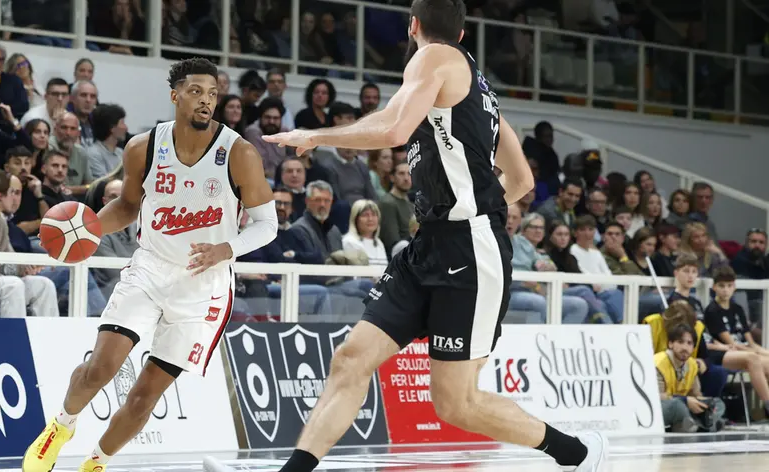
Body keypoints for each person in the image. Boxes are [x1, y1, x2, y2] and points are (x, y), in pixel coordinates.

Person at [257, 1, 607, 471]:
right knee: (351, 358)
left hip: (470, 249)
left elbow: (394, 127)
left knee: (455, 405)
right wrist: (473, 199)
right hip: (430, 247)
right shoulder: (479, 95)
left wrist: (318, 136)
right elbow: (521, 181)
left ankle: (578, 454)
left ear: (414, 25)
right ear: (463, 33)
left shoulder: (432, 57)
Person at [21, 57, 278, 472]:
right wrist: (81, 232)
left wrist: (226, 249)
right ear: (175, 95)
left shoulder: (240, 153)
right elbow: (126, 207)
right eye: (196, 92)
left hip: (204, 286)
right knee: (101, 368)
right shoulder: (144, 146)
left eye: (212, 93)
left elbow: (268, 225)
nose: (205, 101)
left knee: (144, 397)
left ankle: (95, 464)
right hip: (151, 267)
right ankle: (61, 426)